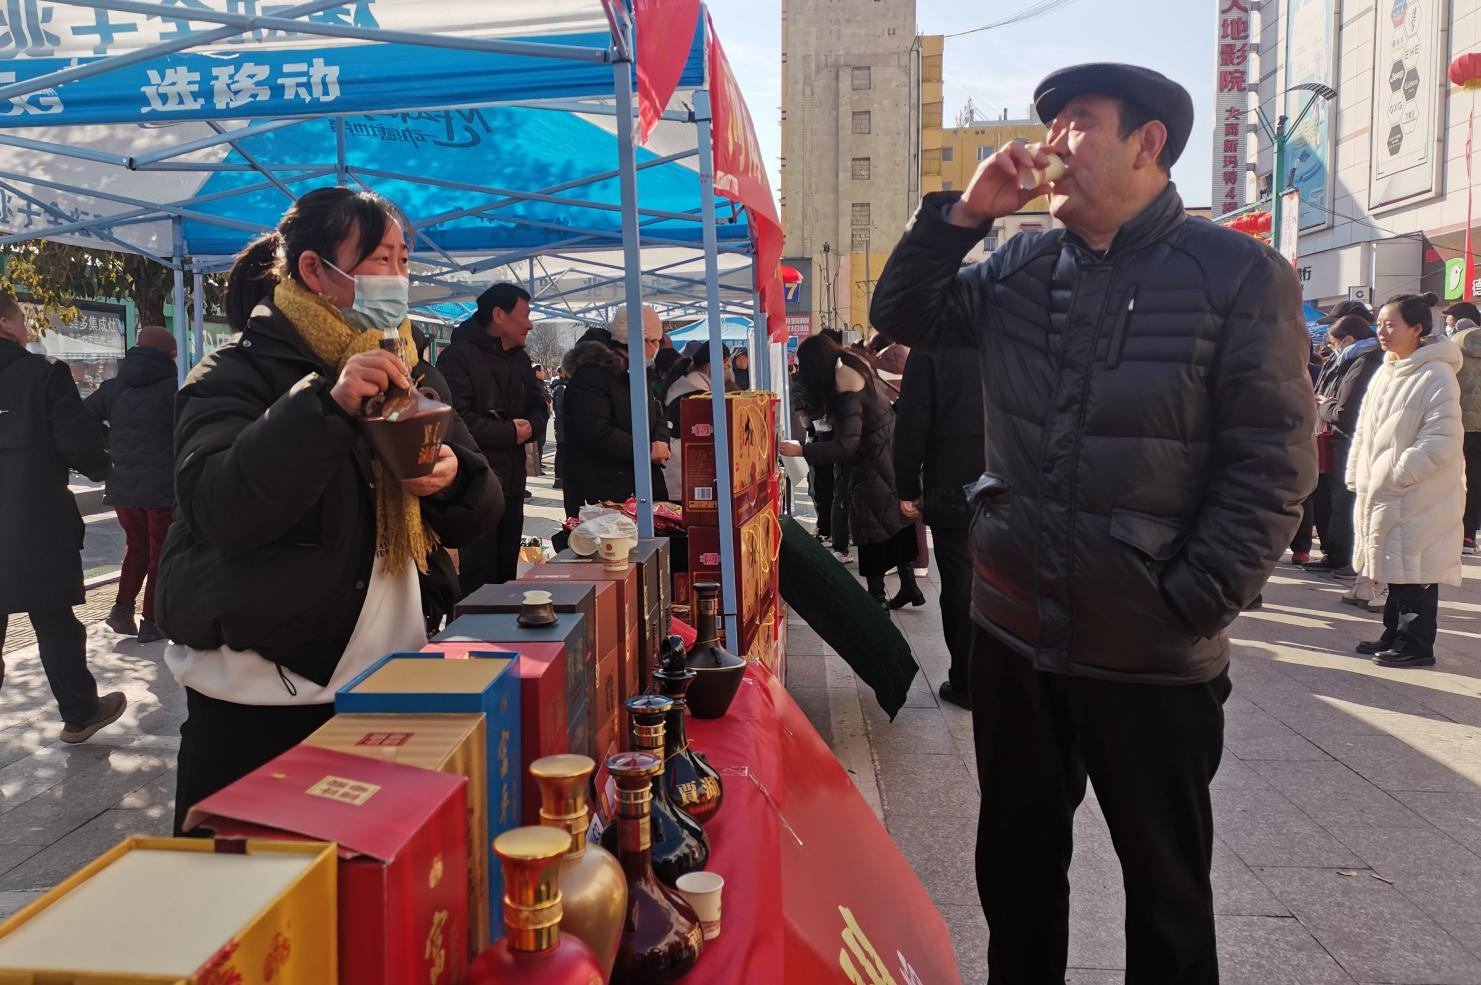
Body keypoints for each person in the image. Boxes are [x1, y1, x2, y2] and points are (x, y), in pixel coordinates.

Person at [869, 63, 1315, 981]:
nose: (1052, 145)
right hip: (1014, 628)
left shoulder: (1237, 274)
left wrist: (1189, 599)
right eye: (1052, 125)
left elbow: (1271, 461)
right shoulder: (1020, 264)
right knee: (1015, 871)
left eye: (1077, 121)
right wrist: (967, 214)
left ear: (1147, 142)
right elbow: (902, 313)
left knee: (1166, 892)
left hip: (1149, 648)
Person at [157, 188, 500, 834]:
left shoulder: (412, 371)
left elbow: (481, 505)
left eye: (404, 261)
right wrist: (329, 405)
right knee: (258, 882)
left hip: (392, 687)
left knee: (372, 878)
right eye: (379, 259)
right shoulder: (233, 373)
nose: (397, 278)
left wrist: (453, 479)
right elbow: (219, 506)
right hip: (261, 702)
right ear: (314, 269)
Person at [0, 292, 127, 742]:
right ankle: (80, 712)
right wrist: (103, 465)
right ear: (4, 324)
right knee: (54, 621)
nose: (26, 328)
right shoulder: (43, 374)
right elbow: (80, 444)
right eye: (21, 319)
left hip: (28, 520)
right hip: (33, 521)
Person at [1348, 294, 1465, 668]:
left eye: (1390, 324)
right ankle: (1394, 635)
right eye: (1379, 323)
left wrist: (1400, 472)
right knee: (1394, 563)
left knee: (1416, 567)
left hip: (1418, 491)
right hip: (1386, 487)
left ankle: (1416, 643)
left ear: (1416, 328)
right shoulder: (1387, 370)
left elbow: (1443, 437)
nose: (1382, 331)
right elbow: (1364, 430)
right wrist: (1358, 471)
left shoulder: (1435, 373)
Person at [780, 334, 920, 606]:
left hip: (871, 462)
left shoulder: (845, 387)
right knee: (894, 522)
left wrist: (802, 451)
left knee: (871, 528)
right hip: (887, 452)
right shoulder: (850, 365)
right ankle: (910, 587)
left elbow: (846, 446)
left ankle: (877, 599)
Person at [437, 283, 548, 592]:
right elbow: (455, 421)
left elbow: (540, 405)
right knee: (479, 578)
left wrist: (532, 427)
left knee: (506, 575)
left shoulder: (520, 359)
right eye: (525, 315)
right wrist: (509, 432)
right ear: (499, 315)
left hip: (513, 486)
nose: (530, 324)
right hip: (474, 487)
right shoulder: (458, 358)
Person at [892, 346, 984, 710]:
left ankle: (968, 682)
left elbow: (912, 423)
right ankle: (1008, 682)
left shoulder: (931, 349)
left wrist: (907, 487)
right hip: (1013, 477)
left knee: (961, 583)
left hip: (953, 483)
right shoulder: (1010, 331)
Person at [85, 325, 178, 644]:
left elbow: (83, 418)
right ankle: (152, 621)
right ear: (170, 356)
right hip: (162, 488)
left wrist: (110, 443)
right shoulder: (174, 389)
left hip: (122, 484)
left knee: (136, 546)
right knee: (160, 552)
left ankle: (122, 610)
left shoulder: (112, 388)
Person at [559, 304, 671, 519]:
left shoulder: (638, 374)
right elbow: (595, 432)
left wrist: (660, 439)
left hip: (638, 488)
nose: (658, 348)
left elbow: (660, 414)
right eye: (656, 341)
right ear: (641, 341)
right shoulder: (591, 377)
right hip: (603, 497)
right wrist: (646, 450)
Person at [1315, 315, 1384, 604]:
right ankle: (1338, 556)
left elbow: (1345, 411)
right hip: (1345, 439)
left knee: (1346, 497)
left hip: (1353, 439)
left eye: (1335, 343)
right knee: (1335, 496)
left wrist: (1324, 405)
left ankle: (1345, 558)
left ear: (1348, 339)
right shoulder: (1353, 359)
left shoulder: (1366, 361)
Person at [661, 342, 729, 498]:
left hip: (683, 465)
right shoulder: (696, 392)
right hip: (683, 467)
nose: (727, 371)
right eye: (726, 366)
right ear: (711, 365)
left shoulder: (689, 382)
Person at [1452, 316, 1481, 553]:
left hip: (1459, 423)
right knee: (1477, 479)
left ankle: (1454, 532)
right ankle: (1469, 535)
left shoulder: (1453, 348)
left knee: (1454, 478)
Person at [551, 365, 568, 490]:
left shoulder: (562, 386)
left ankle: (561, 477)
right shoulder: (561, 387)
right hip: (563, 427)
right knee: (562, 452)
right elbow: (562, 409)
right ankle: (559, 479)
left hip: (562, 426)